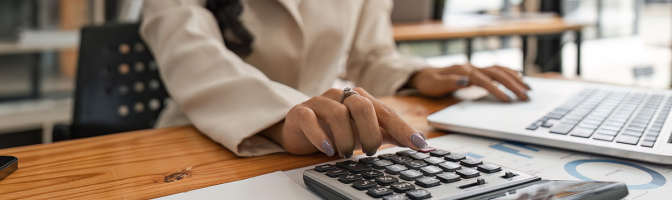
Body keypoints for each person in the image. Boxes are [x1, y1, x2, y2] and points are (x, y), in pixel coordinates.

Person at [140, 0, 530, 158]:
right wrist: (279, 116)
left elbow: (371, 55)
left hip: (331, 137)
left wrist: (419, 73)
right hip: (210, 136)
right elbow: (189, 52)